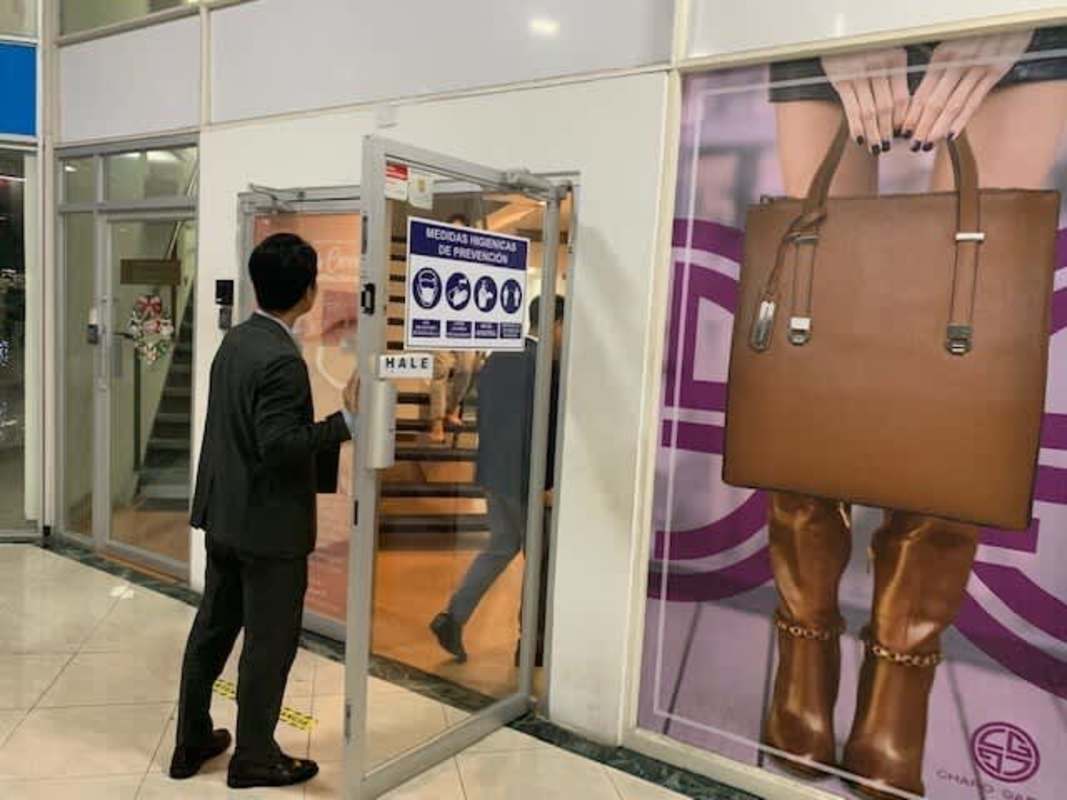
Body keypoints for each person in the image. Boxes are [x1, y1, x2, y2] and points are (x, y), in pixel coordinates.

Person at [762, 29, 1067, 800]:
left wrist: (1020, 14)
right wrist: (832, 18)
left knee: (956, 397)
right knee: (814, 347)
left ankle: (895, 689)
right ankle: (805, 652)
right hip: (841, 19)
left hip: (1017, 21)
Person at [170, 233, 359, 790]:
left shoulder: (238, 342)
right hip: (268, 530)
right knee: (268, 646)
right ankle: (253, 756)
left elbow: (239, 434)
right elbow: (278, 445)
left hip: (225, 515)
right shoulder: (281, 358)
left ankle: (191, 740)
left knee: (212, 631)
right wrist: (346, 423)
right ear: (306, 291)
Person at [430, 295, 563, 664]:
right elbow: (546, 430)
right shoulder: (547, 367)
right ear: (555, 325)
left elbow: (481, 411)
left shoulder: (498, 357)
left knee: (502, 545)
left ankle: (452, 618)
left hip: (493, 471)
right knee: (539, 559)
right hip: (528, 479)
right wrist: (547, 482)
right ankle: (530, 645)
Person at [428, 213, 480, 444]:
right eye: (452, 231)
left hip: (464, 324)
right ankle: (437, 422)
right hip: (439, 322)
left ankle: (452, 409)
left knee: (466, 368)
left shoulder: (472, 261)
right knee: (440, 371)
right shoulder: (435, 256)